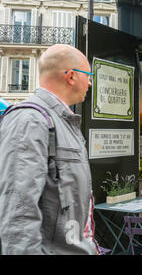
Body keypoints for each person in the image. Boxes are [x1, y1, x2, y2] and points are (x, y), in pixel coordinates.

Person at [0, 44, 98, 255]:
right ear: (71, 76)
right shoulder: (29, 120)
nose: (90, 82)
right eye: (88, 75)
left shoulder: (62, 121)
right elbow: (18, 211)